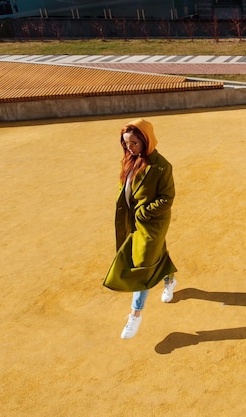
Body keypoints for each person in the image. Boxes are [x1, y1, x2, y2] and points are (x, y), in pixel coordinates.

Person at [103, 118, 178, 339]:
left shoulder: (162, 166)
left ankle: (135, 315)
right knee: (158, 254)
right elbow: (125, 187)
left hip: (152, 223)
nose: (129, 147)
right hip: (131, 221)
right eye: (126, 143)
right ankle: (170, 280)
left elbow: (167, 198)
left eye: (134, 143)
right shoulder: (129, 160)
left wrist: (143, 213)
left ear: (146, 140)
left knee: (143, 263)